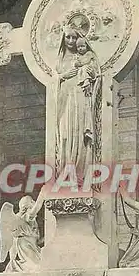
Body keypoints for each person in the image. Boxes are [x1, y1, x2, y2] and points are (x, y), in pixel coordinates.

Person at [56, 26, 101, 179]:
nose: (71, 41)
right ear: (63, 38)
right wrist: (63, 75)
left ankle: (79, 171)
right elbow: (54, 79)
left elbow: (96, 72)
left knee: (79, 132)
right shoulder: (59, 59)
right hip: (65, 100)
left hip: (80, 96)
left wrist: (88, 71)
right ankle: (66, 171)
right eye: (68, 37)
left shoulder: (85, 55)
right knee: (64, 134)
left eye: (74, 38)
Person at [0, 186, 46, 272]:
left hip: (29, 245)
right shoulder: (27, 216)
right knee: (36, 266)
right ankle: (15, 265)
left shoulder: (21, 219)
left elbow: (14, 239)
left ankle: (14, 265)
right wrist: (43, 193)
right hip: (26, 245)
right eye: (32, 201)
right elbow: (37, 207)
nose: (34, 202)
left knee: (40, 263)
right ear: (27, 206)